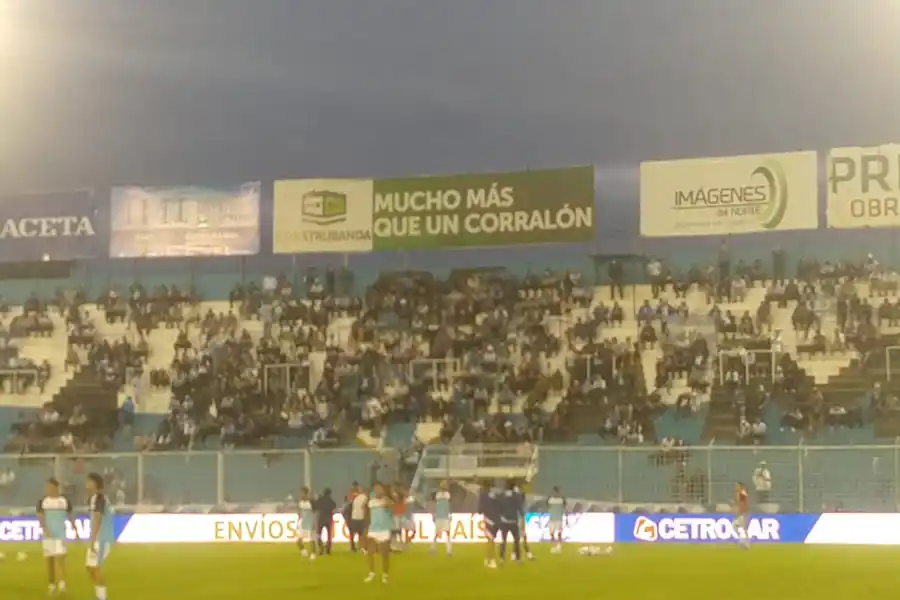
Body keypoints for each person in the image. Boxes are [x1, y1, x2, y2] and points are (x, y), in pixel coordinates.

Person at [37, 477, 75, 595]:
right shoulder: (43, 501)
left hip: (60, 535)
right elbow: (41, 517)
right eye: (46, 487)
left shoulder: (64, 500)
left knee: (60, 558)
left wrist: (75, 527)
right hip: (48, 536)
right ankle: (52, 584)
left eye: (49, 486)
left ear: (55, 487)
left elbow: (70, 515)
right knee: (50, 561)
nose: (47, 489)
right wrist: (45, 530)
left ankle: (62, 585)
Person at [85, 472, 114, 600]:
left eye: (89, 481)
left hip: (101, 539)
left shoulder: (99, 498)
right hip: (98, 538)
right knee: (90, 567)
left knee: (95, 568)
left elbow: (98, 520)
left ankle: (102, 598)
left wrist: (92, 540)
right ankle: (99, 595)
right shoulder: (94, 498)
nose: (86, 484)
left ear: (95, 483)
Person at [364, 482, 392, 584]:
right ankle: (371, 573)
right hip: (373, 529)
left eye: (379, 489)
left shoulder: (386, 500)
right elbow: (367, 512)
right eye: (375, 489)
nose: (377, 491)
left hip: (384, 529)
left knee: (384, 554)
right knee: (370, 552)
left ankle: (385, 575)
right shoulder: (371, 502)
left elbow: (392, 507)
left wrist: (386, 499)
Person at [498, 480, 522, 564]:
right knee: (516, 540)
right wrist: (522, 515)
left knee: (503, 540)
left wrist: (500, 516)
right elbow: (519, 507)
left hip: (504, 522)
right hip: (513, 521)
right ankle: (518, 559)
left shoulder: (501, 496)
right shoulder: (516, 496)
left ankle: (501, 558)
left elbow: (498, 507)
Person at [477, 480, 499, 569]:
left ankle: (488, 559)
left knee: (490, 540)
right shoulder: (494, 495)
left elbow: (480, 509)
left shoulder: (483, 495)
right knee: (491, 540)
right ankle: (491, 560)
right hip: (494, 519)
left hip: (488, 519)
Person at [431, 481, 452, 556]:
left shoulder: (447, 494)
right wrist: (433, 514)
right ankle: (433, 548)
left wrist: (450, 514)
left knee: (447, 533)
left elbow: (448, 505)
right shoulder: (438, 494)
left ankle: (449, 550)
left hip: (445, 516)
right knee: (437, 533)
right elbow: (434, 504)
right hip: (439, 516)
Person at [514, 483, 534, 560]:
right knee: (522, 540)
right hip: (519, 523)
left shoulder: (516, 505)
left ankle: (514, 555)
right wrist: (523, 526)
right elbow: (522, 516)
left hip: (516, 523)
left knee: (518, 540)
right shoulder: (521, 506)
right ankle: (529, 555)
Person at [345, 482, 367, 553]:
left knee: (359, 532)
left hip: (355, 515)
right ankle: (353, 546)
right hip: (351, 514)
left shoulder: (358, 495)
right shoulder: (352, 494)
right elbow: (348, 502)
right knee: (353, 531)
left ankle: (359, 546)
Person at [314, 488, 336, 556]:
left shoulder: (320, 499)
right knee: (329, 536)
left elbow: (315, 507)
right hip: (328, 519)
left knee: (318, 534)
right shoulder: (330, 500)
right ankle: (328, 550)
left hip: (321, 519)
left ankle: (321, 548)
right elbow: (334, 506)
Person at [296, 487, 316, 561]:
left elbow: (315, 512)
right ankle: (304, 552)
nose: (301, 494)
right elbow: (299, 512)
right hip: (302, 522)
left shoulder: (311, 501)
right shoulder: (300, 502)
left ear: (306, 493)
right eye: (300, 493)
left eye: (302, 493)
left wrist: (314, 522)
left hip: (309, 522)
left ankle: (313, 554)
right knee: (298, 540)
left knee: (311, 539)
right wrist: (298, 521)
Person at [546, 485, 567, 554]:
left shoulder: (561, 499)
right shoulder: (550, 499)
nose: (555, 493)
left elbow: (564, 506)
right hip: (552, 519)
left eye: (556, 491)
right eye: (554, 491)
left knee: (559, 534)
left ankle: (559, 546)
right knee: (551, 534)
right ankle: (553, 546)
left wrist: (565, 515)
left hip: (559, 519)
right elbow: (547, 505)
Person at [732, 482, 751, 549]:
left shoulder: (742, 491)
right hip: (741, 513)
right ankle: (744, 542)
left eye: (737, 486)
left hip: (744, 513)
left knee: (742, 527)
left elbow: (744, 499)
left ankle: (745, 543)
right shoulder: (738, 493)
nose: (736, 487)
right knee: (737, 526)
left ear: (741, 486)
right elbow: (738, 503)